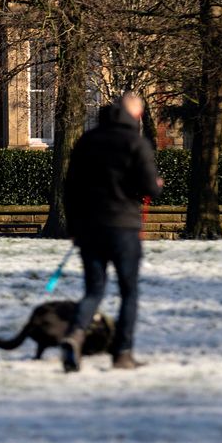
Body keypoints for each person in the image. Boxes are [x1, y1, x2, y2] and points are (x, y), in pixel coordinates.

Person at [60, 92, 163, 372]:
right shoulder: (136, 143)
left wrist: (73, 227)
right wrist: (156, 183)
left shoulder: (86, 141)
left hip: (90, 228)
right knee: (129, 291)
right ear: (136, 115)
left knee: (93, 290)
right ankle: (122, 352)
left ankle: (74, 335)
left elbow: (70, 188)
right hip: (124, 228)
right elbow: (149, 188)